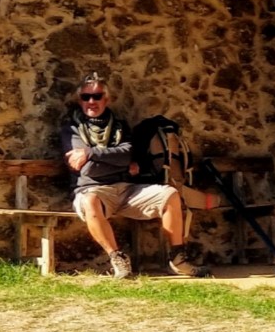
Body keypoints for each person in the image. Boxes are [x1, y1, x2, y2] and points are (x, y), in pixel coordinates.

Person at [60, 73, 187, 278]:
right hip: (93, 190)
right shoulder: (72, 130)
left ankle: (179, 258)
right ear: (80, 101)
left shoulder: (120, 126)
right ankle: (118, 259)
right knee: (90, 201)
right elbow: (87, 171)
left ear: (106, 99)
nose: (91, 102)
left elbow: (127, 154)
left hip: (127, 189)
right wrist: (122, 165)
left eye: (97, 96)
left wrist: (91, 153)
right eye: (86, 97)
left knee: (170, 194)